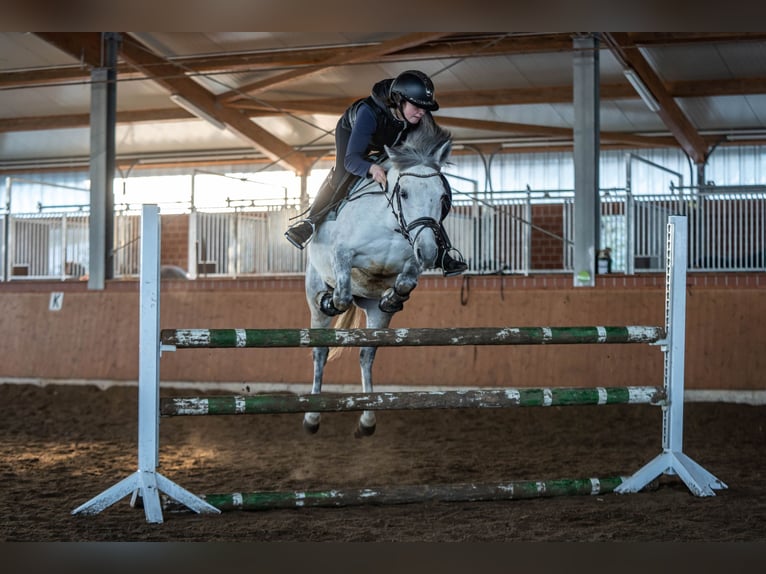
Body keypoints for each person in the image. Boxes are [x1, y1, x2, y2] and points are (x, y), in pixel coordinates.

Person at [284, 69, 467, 277]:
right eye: (417, 107)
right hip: (355, 135)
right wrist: (370, 168)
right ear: (399, 100)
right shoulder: (368, 113)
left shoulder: (420, 115)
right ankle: (309, 223)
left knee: (433, 187)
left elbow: (427, 157)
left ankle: (442, 251)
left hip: (393, 143)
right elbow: (352, 160)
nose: (422, 113)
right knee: (341, 176)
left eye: (425, 109)